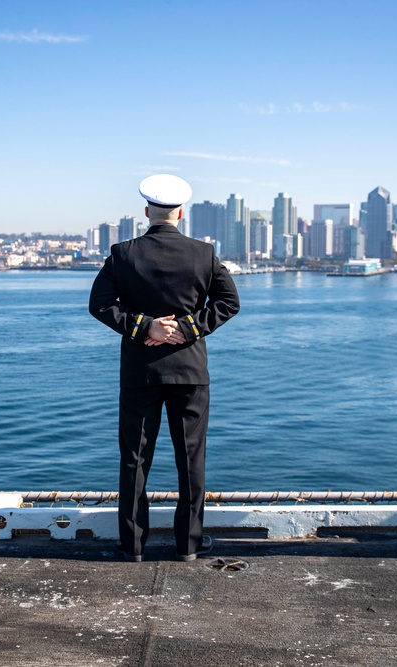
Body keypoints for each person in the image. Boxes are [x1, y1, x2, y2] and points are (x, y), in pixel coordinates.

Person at [89, 174, 240, 562]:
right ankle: (188, 546)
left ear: (146, 213)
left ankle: (132, 545)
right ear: (181, 213)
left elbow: (100, 304)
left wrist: (145, 327)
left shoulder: (123, 253)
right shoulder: (203, 254)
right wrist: (186, 329)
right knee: (191, 459)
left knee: (134, 459)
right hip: (190, 372)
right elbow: (228, 303)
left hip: (141, 372)